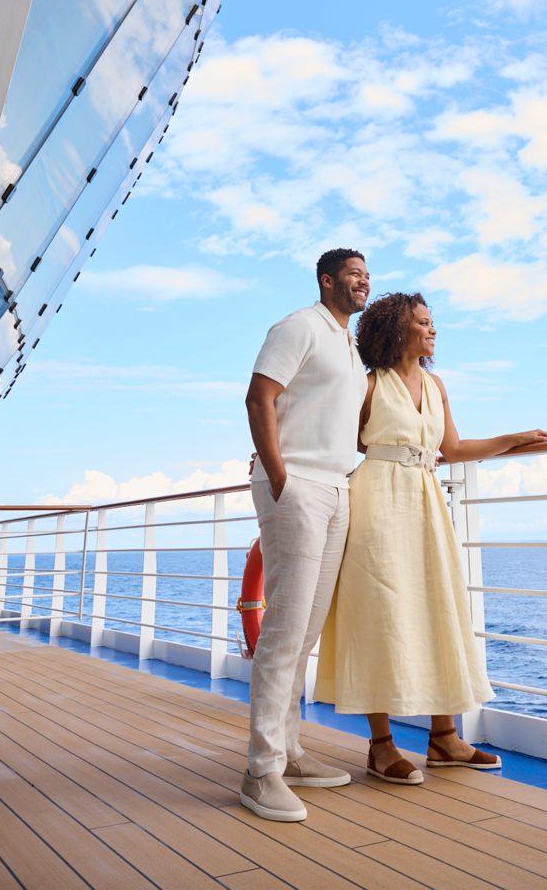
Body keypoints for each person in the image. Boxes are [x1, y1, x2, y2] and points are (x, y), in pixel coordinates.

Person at [314, 292, 547, 783]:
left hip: (425, 502)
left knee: (437, 606)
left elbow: (455, 448)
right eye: (423, 322)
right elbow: (342, 443)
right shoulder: (367, 387)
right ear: (397, 330)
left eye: (432, 322)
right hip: (377, 500)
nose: (432, 329)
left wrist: (516, 438)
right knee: (380, 612)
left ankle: (444, 738)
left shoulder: (436, 383)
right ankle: (380, 745)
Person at [240, 248, 370, 822]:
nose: (363, 281)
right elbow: (258, 396)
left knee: (306, 630)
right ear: (327, 280)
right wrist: (279, 475)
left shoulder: (350, 345)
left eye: (367, 274)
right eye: (353, 273)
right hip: (297, 486)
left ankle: (290, 752)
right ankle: (260, 769)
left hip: (337, 487)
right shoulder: (298, 326)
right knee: (285, 629)